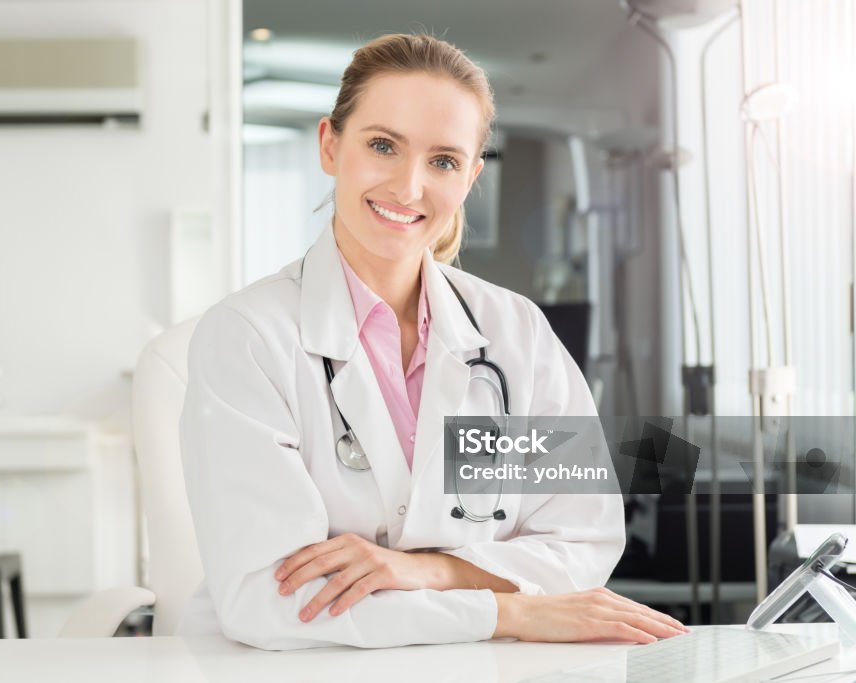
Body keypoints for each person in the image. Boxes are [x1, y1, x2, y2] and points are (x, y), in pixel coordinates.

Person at [142, 33, 687, 650]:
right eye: (382, 146)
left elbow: (583, 539)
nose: (408, 187)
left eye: (444, 161)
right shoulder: (248, 337)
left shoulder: (516, 333)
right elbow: (271, 600)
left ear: (472, 175)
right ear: (329, 144)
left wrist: (428, 570)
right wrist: (503, 611)